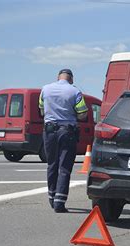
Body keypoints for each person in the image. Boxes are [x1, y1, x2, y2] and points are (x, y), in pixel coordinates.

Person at [39, 69, 88, 213]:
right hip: (67, 131)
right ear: (71, 79)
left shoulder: (45, 89)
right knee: (64, 167)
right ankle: (59, 202)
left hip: (49, 131)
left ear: (58, 77)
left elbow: (41, 110)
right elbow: (83, 114)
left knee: (52, 164)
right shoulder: (75, 92)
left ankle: (51, 197)